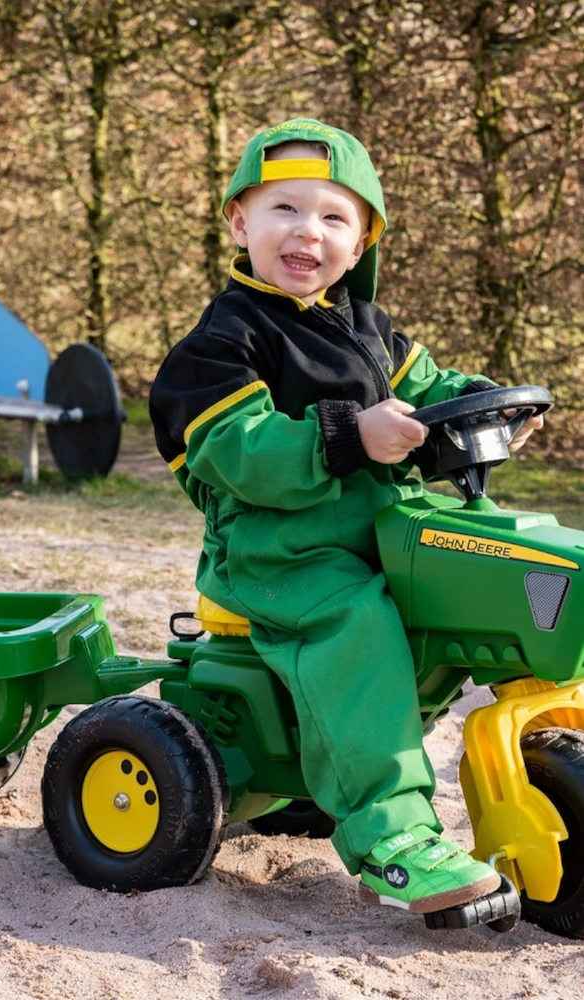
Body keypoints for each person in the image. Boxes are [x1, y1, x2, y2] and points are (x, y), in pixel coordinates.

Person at [148, 118, 543, 916]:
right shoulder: (225, 342)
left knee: (499, 560)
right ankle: (392, 838)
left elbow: (432, 386)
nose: (308, 232)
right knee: (354, 626)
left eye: (334, 218)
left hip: (381, 529)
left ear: (360, 244)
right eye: (285, 210)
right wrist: (350, 435)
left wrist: (487, 402)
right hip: (281, 555)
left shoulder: (368, 329)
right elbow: (237, 451)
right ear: (239, 222)